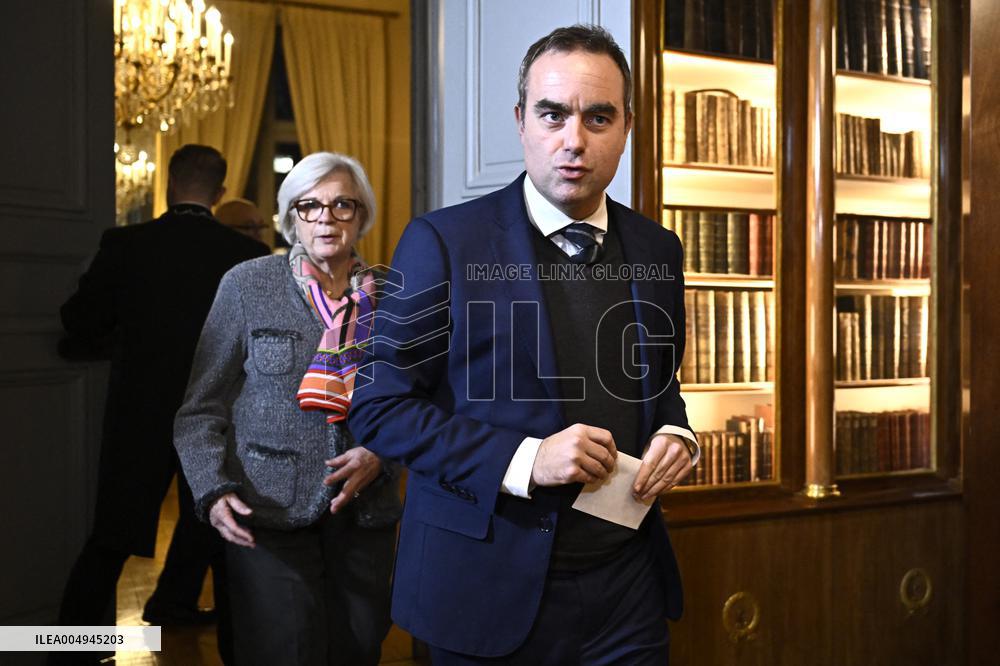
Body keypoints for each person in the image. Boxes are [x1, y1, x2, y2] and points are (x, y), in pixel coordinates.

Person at [349, 25, 700, 664]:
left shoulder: (659, 248)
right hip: (482, 586)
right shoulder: (441, 242)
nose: (574, 140)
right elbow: (379, 408)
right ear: (520, 121)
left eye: (598, 117)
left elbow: (657, 383)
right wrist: (526, 460)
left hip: (628, 589)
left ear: (627, 127)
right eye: (553, 114)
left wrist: (676, 433)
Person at [174, 151, 402, 666]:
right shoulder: (247, 284)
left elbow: (418, 401)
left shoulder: (393, 295)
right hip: (267, 511)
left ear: (362, 214)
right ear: (291, 216)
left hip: (365, 515)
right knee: (284, 651)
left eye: (342, 205)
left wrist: (380, 454)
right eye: (309, 205)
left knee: (358, 648)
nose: (326, 218)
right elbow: (200, 409)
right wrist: (212, 490)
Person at [54, 144, 269, 664]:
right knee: (224, 548)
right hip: (217, 421)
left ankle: (66, 656)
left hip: (138, 417)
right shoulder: (245, 255)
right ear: (220, 192)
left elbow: (79, 321)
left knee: (108, 544)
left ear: (169, 185)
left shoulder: (126, 244)